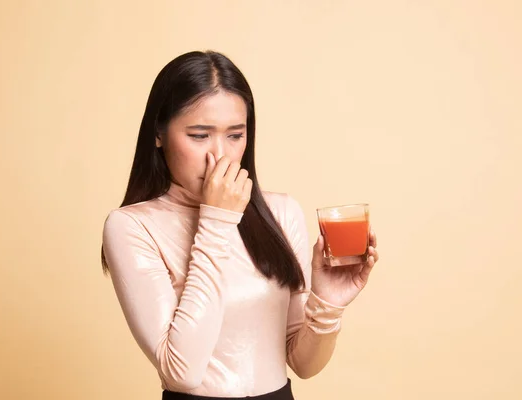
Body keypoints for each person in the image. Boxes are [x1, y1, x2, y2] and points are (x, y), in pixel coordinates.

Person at [101, 50, 379, 400]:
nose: (220, 156)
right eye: (199, 135)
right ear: (158, 134)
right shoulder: (131, 226)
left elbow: (304, 365)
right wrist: (216, 220)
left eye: (235, 135)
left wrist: (327, 303)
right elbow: (181, 372)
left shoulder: (281, 211)